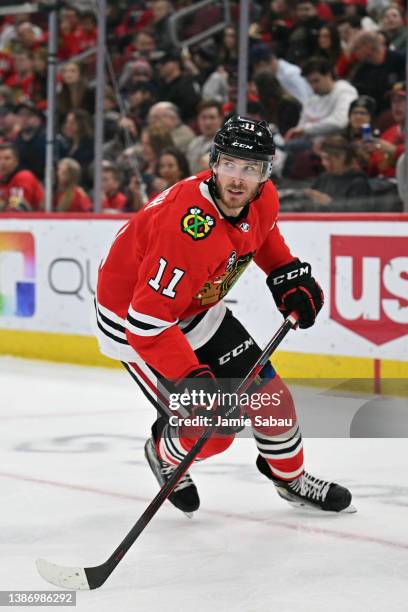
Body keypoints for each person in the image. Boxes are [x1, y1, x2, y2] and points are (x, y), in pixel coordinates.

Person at [94, 116, 353, 515]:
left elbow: (261, 235)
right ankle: (164, 449)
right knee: (212, 432)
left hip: (195, 307)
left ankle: (290, 478)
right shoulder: (186, 230)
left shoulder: (262, 198)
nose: (237, 178)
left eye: (251, 168)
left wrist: (285, 273)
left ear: (266, 173)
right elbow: (147, 322)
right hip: (135, 321)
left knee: (273, 401)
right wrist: (192, 378)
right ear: (213, 162)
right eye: (229, 164)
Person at [0, 142, 44, 211]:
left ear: (16, 161)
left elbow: (17, 208)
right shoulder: (2, 178)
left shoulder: (24, 177)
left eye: (7, 158)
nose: (2, 163)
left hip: (37, 220)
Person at [186, 100, 223, 174]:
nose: (207, 122)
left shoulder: (226, 142)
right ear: (198, 120)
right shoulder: (193, 143)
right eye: (203, 118)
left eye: (212, 117)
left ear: (220, 119)